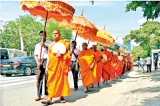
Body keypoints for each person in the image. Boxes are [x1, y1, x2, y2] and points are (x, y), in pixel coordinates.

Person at [41, 30, 71, 104]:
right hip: (52, 66)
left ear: (59, 34)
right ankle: (50, 98)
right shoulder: (51, 45)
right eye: (53, 33)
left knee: (61, 82)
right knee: (50, 82)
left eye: (56, 33)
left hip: (60, 65)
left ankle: (62, 96)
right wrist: (47, 67)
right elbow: (49, 56)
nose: (54, 35)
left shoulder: (64, 43)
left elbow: (69, 53)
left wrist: (62, 55)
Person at [34, 30, 52, 101]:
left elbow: (51, 51)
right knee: (39, 78)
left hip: (47, 60)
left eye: (43, 35)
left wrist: (44, 46)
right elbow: (35, 55)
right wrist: (38, 62)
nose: (42, 36)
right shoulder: (37, 45)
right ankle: (38, 95)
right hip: (40, 61)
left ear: (46, 36)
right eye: (40, 35)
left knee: (47, 78)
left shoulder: (50, 43)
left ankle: (47, 94)